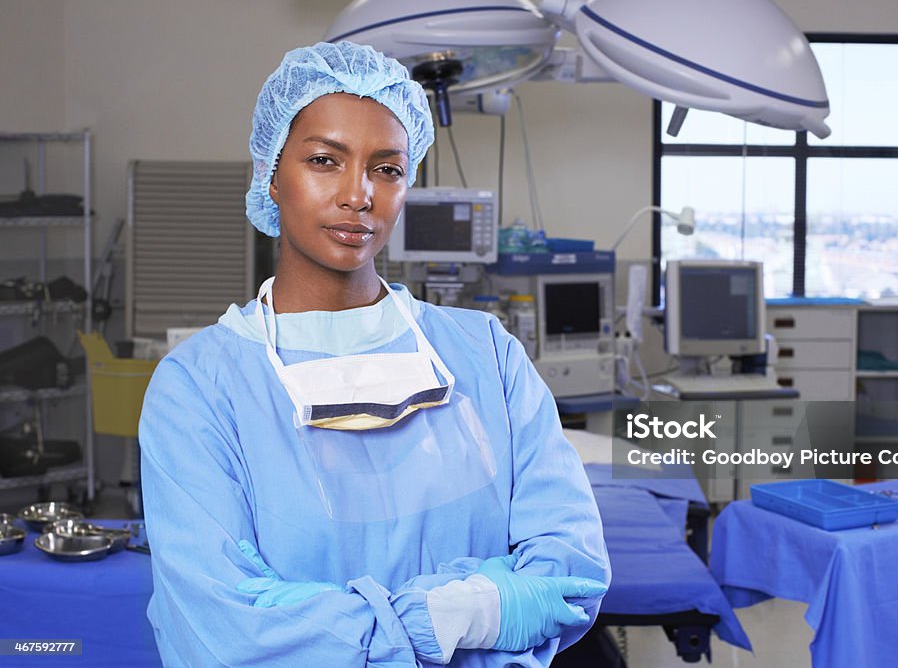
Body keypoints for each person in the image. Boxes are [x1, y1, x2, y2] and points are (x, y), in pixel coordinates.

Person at [138, 41, 610, 667]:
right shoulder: (200, 387)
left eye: (386, 169)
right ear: (271, 176)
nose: (358, 194)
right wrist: (452, 616)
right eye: (324, 160)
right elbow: (228, 630)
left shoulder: (486, 355)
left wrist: (343, 624)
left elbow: (569, 571)